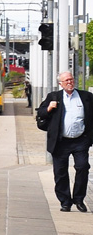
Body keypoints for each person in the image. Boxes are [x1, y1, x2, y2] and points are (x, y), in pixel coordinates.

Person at [36, 71, 93, 212]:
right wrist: (49, 108)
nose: (69, 82)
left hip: (80, 140)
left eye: (71, 79)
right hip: (60, 142)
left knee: (82, 167)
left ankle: (79, 199)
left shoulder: (85, 97)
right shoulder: (54, 97)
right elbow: (41, 113)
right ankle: (65, 201)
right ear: (60, 83)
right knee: (60, 172)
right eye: (66, 80)